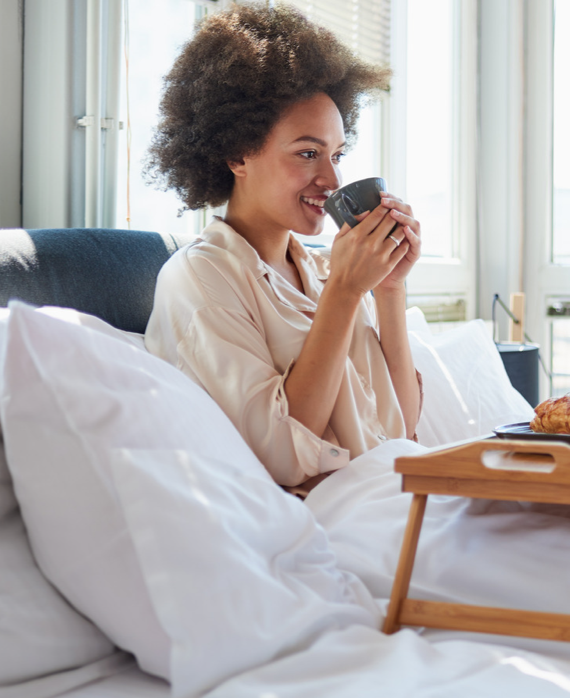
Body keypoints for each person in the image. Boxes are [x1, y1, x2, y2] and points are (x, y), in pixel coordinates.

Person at [144, 3, 422, 490]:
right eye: (308, 153)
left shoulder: (319, 271)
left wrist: (390, 289)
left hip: (391, 493)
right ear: (238, 153)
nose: (332, 179)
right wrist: (345, 292)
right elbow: (279, 457)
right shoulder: (200, 280)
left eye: (337, 155)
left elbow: (400, 427)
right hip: (329, 517)